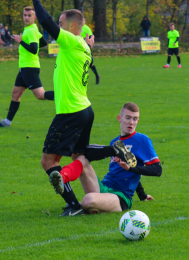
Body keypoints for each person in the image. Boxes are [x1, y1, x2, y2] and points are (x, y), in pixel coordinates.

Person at [32, 0, 137, 217]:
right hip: (84, 110)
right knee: (79, 155)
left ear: (71, 27)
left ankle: (73, 206)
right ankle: (113, 149)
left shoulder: (71, 42)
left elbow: (44, 21)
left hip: (71, 112)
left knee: (49, 161)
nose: (57, 27)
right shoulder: (84, 48)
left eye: (60, 23)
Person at [49, 102, 162, 214]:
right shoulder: (114, 143)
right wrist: (142, 195)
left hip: (120, 196)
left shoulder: (142, 140)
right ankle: (61, 178)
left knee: (88, 200)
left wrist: (130, 169)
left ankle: (79, 206)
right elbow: (121, 172)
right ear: (119, 118)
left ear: (138, 121)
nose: (131, 122)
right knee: (82, 159)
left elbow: (157, 170)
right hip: (103, 187)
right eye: (128, 118)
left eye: (134, 119)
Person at [0, 6, 54, 127]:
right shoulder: (31, 29)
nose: (26, 17)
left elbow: (34, 50)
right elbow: (44, 42)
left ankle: (63, 96)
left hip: (29, 68)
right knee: (15, 94)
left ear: (34, 17)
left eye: (29, 15)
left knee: (40, 95)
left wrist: (21, 41)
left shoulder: (30, 31)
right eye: (25, 15)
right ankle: (7, 122)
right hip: (24, 68)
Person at [81, 18, 100, 85]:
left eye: (83, 20)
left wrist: (81, 38)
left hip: (86, 48)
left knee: (90, 63)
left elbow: (90, 38)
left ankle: (97, 76)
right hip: (80, 48)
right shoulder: (78, 27)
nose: (82, 21)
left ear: (85, 21)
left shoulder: (86, 28)